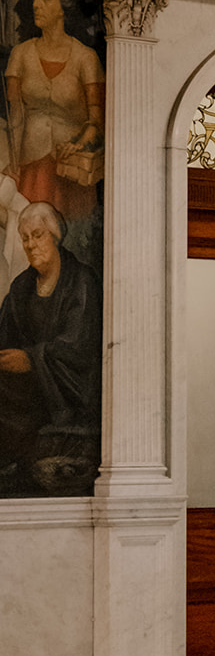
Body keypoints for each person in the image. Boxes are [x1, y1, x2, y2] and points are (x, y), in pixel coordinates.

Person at [0, 201, 102, 489]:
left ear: (55, 236)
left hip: (67, 392)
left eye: (38, 235)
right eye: (25, 238)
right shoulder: (21, 287)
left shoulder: (81, 281)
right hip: (28, 388)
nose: (31, 245)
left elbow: (79, 348)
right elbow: (5, 333)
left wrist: (31, 359)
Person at [5, 0, 105, 221]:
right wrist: (13, 163)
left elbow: (97, 121)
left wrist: (78, 144)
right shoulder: (20, 54)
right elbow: (13, 115)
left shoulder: (86, 58)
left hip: (71, 172)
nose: (36, 4)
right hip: (31, 169)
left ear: (64, 6)